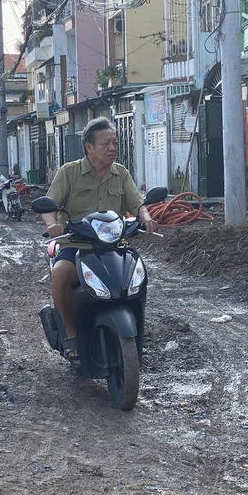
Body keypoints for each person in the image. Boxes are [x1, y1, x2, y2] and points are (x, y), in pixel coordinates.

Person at [41, 117, 158, 361]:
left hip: (114, 247)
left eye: (115, 143)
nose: (113, 148)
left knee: (138, 276)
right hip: (76, 246)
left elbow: (138, 204)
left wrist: (146, 218)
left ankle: (137, 333)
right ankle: (71, 335)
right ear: (89, 147)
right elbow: (49, 206)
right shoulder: (69, 172)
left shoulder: (121, 174)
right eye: (106, 144)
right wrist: (52, 224)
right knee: (60, 273)